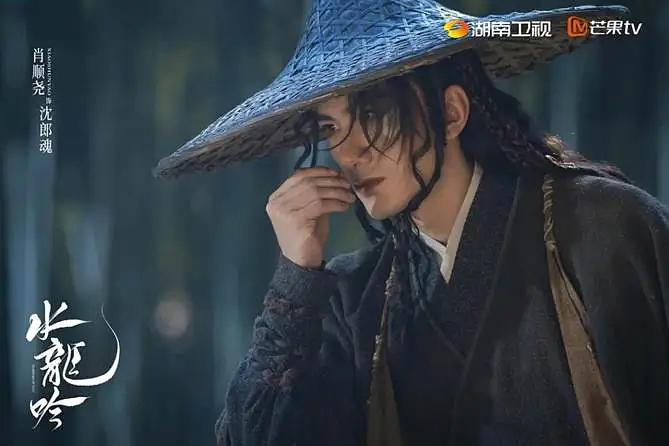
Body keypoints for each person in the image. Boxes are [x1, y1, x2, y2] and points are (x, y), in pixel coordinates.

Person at [152, 1, 669, 445]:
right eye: (331, 126)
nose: (347, 152)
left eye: (372, 114)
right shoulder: (354, 299)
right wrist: (296, 274)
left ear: (451, 113)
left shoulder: (607, 229)